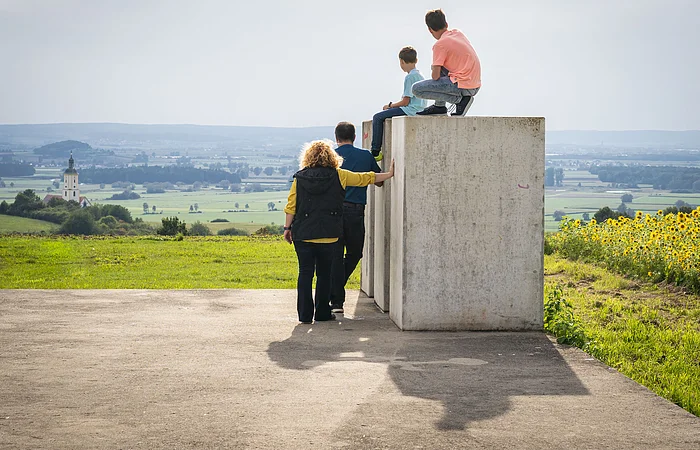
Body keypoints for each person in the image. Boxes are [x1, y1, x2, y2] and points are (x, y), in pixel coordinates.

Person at [283, 139, 395, 324]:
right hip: (329, 233)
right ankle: (322, 313)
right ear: (332, 157)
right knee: (324, 274)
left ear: (308, 157)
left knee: (305, 273)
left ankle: (304, 315)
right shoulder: (340, 175)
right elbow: (365, 178)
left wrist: (288, 228)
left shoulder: (299, 178)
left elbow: (291, 206)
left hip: (303, 233)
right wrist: (389, 174)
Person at [329, 122, 383, 315]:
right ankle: (334, 294)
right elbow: (379, 180)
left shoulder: (330, 157)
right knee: (354, 253)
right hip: (355, 212)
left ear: (336, 138)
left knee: (335, 255)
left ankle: (335, 298)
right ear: (354, 137)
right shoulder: (365, 156)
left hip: (332, 212)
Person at [411, 9, 481, 117]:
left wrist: (434, 66)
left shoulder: (439, 45)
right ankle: (439, 107)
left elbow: (435, 76)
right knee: (444, 65)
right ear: (446, 24)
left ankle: (459, 100)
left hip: (462, 85)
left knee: (416, 89)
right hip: (474, 84)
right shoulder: (457, 33)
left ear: (430, 30)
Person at [370, 46, 427, 162]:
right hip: (420, 108)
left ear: (401, 62)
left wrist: (389, 106)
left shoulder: (410, 77)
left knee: (377, 117)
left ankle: (375, 152)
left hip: (410, 110)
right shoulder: (420, 75)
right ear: (416, 60)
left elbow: (406, 101)